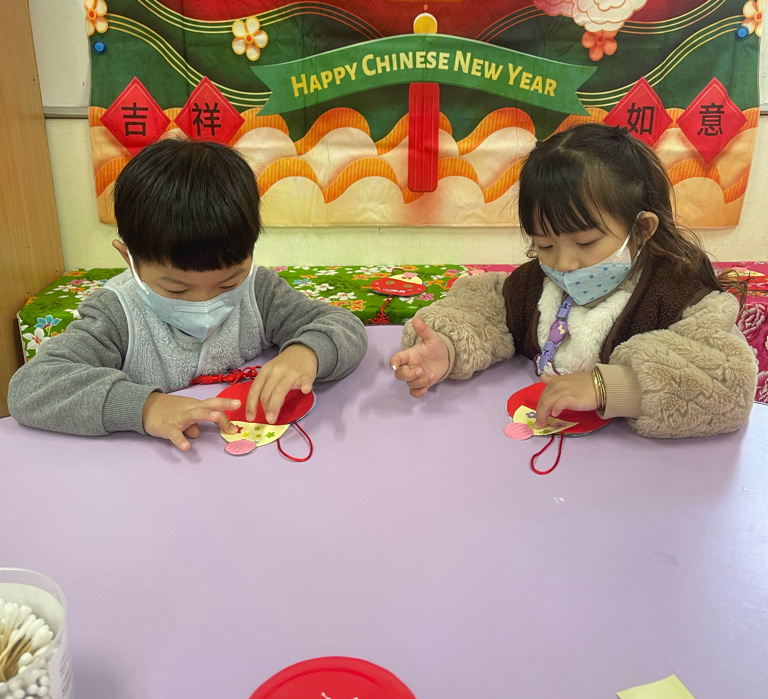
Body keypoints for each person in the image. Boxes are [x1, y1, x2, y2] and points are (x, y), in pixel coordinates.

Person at [390, 123, 756, 438]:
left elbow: (729, 385)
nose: (564, 264)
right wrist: (447, 347)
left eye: (585, 243)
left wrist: (610, 386)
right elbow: (480, 310)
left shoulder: (680, 295)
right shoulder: (532, 285)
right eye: (545, 245)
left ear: (641, 229)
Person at [8, 139, 368, 450]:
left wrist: (306, 353)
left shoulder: (260, 291)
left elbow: (343, 324)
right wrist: (146, 408)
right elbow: (31, 388)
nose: (204, 303)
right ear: (129, 259)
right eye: (176, 288)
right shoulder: (116, 315)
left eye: (228, 283)